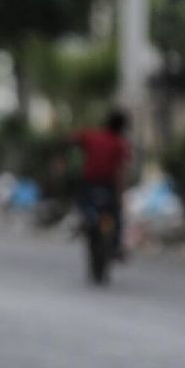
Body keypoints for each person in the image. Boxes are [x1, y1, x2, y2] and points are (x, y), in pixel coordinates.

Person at [69, 109, 131, 261]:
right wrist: (121, 194)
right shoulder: (119, 143)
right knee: (115, 215)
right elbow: (121, 170)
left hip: (90, 183)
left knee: (84, 207)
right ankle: (115, 246)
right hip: (108, 185)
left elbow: (72, 139)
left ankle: (83, 224)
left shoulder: (92, 136)